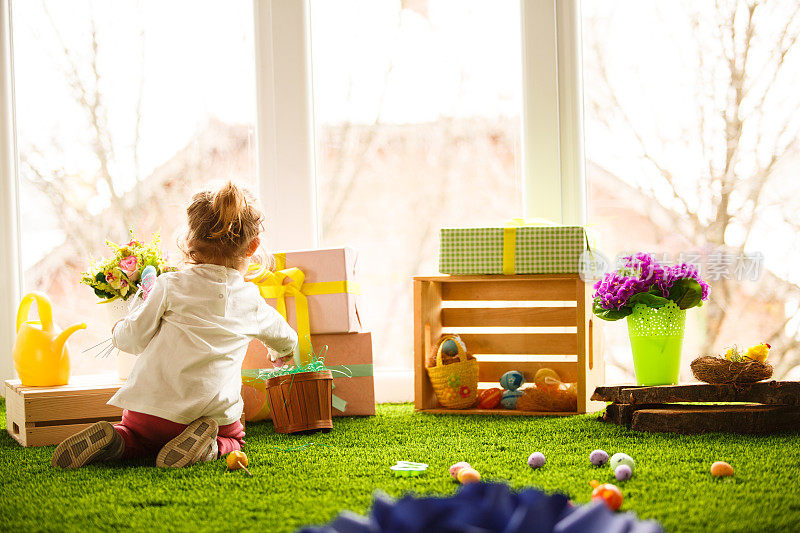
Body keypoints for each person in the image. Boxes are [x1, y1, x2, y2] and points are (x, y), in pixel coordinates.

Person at [52, 182, 298, 469]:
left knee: (137, 438)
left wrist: (118, 329)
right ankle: (210, 445)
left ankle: (118, 439)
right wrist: (280, 355)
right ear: (253, 246)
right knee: (236, 438)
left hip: (148, 413)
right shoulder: (250, 299)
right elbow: (287, 338)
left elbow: (133, 339)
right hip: (208, 416)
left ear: (190, 241)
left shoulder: (169, 285)